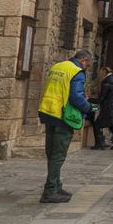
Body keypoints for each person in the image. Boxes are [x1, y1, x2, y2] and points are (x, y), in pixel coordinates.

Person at [36, 49, 93, 203]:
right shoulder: (76, 71)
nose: (87, 67)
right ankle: (49, 191)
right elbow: (76, 97)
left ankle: (56, 185)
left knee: (51, 151)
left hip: (48, 111)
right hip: (62, 115)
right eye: (88, 64)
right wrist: (88, 108)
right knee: (59, 154)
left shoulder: (57, 67)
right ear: (83, 60)